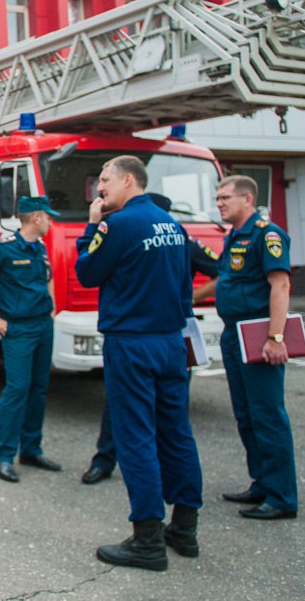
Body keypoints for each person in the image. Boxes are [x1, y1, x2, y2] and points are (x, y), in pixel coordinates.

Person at [75, 156, 202, 572]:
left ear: (130, 180)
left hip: (132, 343)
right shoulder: (173, 225)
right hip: (171, 342)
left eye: (106, 180)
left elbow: (87, 273)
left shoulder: (119, 224)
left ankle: (147, 540)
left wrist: (93, 225)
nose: (100, 188)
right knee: (178, 433)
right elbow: (185, 282)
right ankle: (184, 529)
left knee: (135, 438)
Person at [80, 192, 220, 486]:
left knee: (166, 416)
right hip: (149, 335)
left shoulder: (181, 239)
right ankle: (105, 459)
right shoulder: (139, 232)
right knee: (121, 408)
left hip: (167, 332)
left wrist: (193, 296)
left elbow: (221, 270)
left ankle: (151, 495)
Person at [195, 175, 297, 520]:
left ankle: (281, 497)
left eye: (225, 198)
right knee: (246, 415)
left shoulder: (266, 235)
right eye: (218, 198)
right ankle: (262, 483)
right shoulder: (236, 235)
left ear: (247, 199)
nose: (219, 203)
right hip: (231, 332)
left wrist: (276, 337)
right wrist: (188, 298)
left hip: (257, 331)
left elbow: (280, 285)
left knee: (267, 415)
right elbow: (224, 280)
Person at [0, 196, 62, 484]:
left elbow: (48, 278)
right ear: (35, 218)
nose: (50, 221)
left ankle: (31, 450)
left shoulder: (39, 248)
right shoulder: (4, 249)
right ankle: (4, 456)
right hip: (18, 330)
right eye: (47, 217)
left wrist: (52, 308)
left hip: (43, 326)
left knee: (39, 388)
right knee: (17, 390)